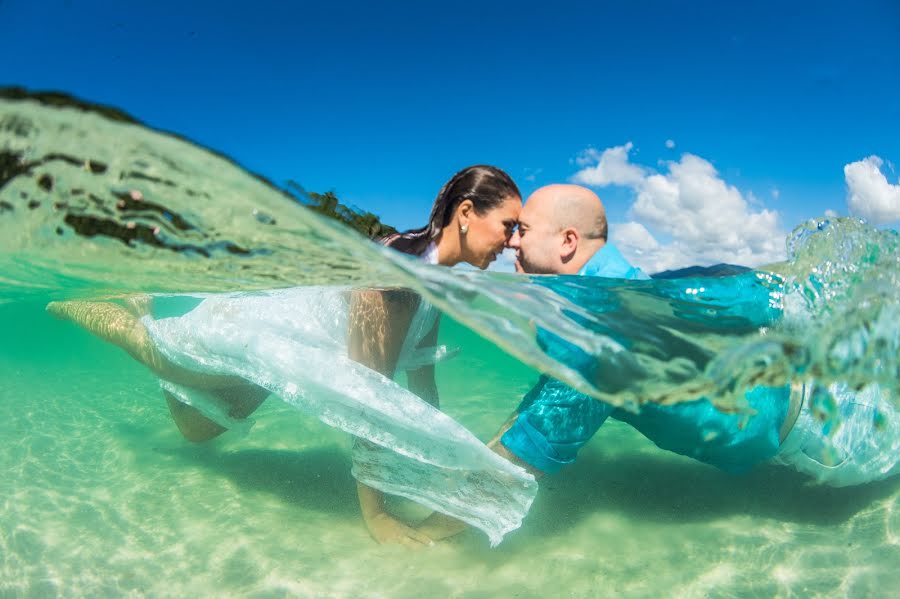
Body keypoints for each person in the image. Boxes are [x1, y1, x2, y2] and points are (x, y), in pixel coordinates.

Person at [47, 165, 533, 547]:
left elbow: (421, 373)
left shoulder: (437, 275)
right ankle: (98, 310)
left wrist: (440, 459)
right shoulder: (398, 274)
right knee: (159, 354)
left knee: (197, 431)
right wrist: (377, 515)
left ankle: (149, 314)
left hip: (290, 356)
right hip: (252, 336)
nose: (513, 241)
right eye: (509, 226)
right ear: (466, 213)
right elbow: (367, 401)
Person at [418, 183, 899, 541]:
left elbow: (523, 457)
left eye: (522, 231)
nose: (511, 243)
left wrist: (426, 531)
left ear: (567, 242)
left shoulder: (596, 324)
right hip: (822, 400)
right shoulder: (613, 294)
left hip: (834, 430)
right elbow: (542, 408)